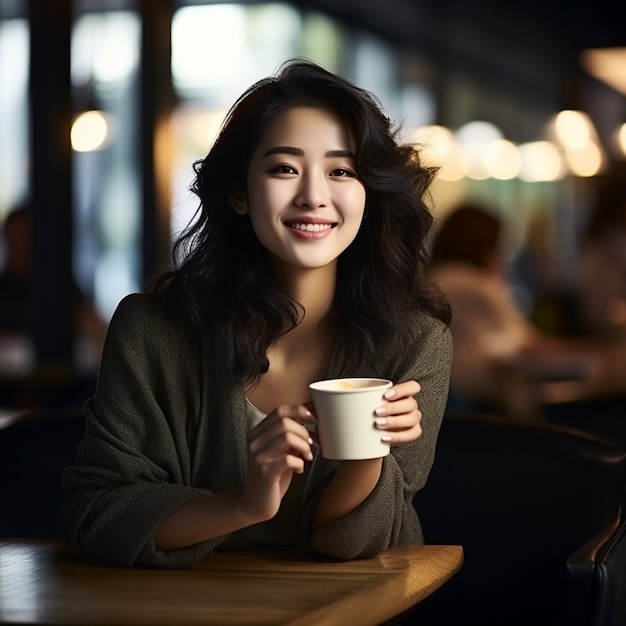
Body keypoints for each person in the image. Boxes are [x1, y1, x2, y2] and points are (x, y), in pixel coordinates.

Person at [58, 59, 453, 568]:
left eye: (341, 171)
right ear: (239, 193)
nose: (314, 196)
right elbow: (95, 513)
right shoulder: (151, 329)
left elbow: (359, 542)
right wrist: (244, 504)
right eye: (285, 168)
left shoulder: (417, 341)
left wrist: (367, 454)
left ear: (369, 197)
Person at [430, 203, 599, 419]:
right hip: (489, 402)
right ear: (484, 244)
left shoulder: (431, 281)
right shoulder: (479, 285)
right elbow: (527, 345)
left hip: (448, 404)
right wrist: (591, 351)